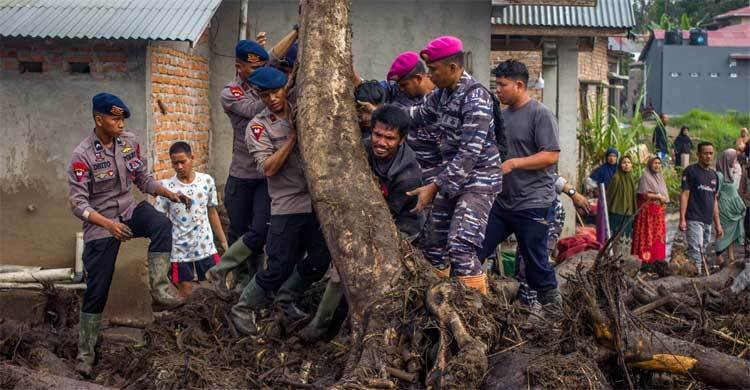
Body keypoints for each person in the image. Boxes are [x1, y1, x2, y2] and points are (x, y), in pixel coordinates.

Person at [68, 93, 191, 376]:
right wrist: (108, 225)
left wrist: (169, 193)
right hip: (101, 226)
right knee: (97, 290)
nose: (120, 123)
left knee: (160, 224)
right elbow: (78, 205)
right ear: (99, 120)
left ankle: (160, 290)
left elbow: (142, 179)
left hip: (129, 211)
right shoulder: (82, 155)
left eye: (122, 118)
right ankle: (85, 353)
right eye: (114, 118)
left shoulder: (128, 143)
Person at [297, 104, 425, 341]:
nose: (381, 143)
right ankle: (321, 323)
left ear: (401, 140)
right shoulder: (360, 150)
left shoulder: (408, 173)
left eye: (390, 138)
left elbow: (387, 219)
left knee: (372, 270)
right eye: (378, 134)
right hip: (363, 218)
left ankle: (369, 330)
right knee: (341, 266)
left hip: (401, 227)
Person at [231, 67, 331, 335]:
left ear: (285, 87)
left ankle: (286, 300)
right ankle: (242, 308)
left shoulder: (303, 108)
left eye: (276, 92)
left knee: (321, 258)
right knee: (277, 266)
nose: (272, 98)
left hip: (316, 201)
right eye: (265, 95)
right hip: (287, 203)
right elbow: (268, 168)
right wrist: (293, 140)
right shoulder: (258, 126)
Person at [405, 36, 503, 295]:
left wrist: (434, 187)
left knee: (461, 245)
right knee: (433, 242)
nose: (430, 76)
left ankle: (476, 311)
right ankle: (439, 298)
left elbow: (469, 153)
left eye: (433, 71)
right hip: (452, 179)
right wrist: (379, 114)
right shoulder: (441, 95)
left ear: (452, 67)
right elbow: (417, 115)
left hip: (479, 180)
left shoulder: (476, 97)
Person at [208, 30, 300, 297]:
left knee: (260, 231)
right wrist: (284, 88)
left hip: (265, 176)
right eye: (255, 68)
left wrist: (295, 31)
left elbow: (274, 56)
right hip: (241, 176)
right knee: (238, 232)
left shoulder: (263, 76)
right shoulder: (232, 92)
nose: (262, 70)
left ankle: (250, 284)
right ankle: (234, 281)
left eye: (263, 66)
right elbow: (255, 109)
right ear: (239, 67)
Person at [477, 59, 560, 305]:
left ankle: (557, 316)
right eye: (496, 85)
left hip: (533, 202)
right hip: (503, 203)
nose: (498, 90)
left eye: (502, 85)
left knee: (536, 265)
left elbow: (551, 155)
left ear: (519, 85)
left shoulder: (540, 114)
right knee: (475, 247)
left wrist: (514, 164)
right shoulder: (501, 117)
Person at [155, 142, 228, 298]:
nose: (179, 167)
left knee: (213, 289)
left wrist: (222, 241)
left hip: (205, 246)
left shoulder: (206, 181)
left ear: (192, 158)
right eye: (175, 163)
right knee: (186, 293)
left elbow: (212, 212)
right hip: (179, 250)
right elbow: (159, 221)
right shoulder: (166, 187)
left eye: (183, 161)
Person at [384, 51, 441, 183]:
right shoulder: (398, 92)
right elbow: (367, 88)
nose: (401, 89)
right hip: (404, 174)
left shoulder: (442, 98)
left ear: (418, 78)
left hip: (433, 177)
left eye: (404, 85)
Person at [679, 142, 723, 274]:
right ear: (698, 154)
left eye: (710, 153)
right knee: (696, 251)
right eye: (705, 153)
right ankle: (695, 278)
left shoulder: (714, 175)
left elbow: (714, 200)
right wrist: (682, 219)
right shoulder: (690, 171)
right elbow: (684, 195)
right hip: (693, 218)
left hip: (707, 220)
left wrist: (718, 224)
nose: (708, 156)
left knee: (703, 250)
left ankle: (697, 275)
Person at [632, 157, 669, 269]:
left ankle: (657, 261)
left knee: (658, 238)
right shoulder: (645, 177)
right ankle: (646, 263)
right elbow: (644, 194)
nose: (657, 165)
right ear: (649, 164)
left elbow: (665, 196)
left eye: (659, 163)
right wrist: (657, 196)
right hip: (647, 214)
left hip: (658, 214)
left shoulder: (660, 177)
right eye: (655, 163)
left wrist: (662, 199)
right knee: (647, 236)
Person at [715, 149, 745, 267]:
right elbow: (715, 195)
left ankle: (731, 257)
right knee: (722, 232)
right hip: (724, 210)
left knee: (730, 234)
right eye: (734, 159)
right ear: (727, 159)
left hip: (732, 210)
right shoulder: (720, 175)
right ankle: (719, 257)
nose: (735, 161)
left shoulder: (729, 173)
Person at [606, 155, 637, 242]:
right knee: (616, 237)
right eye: (624, 163)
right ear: (620, 165)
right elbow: (609, 196)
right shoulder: (616, 178)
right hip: (616, 213)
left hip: (628, 214)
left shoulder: (631, 178)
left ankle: (623, 255)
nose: (626, 165)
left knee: (626, 237)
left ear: (631, 165)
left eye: (628, 162)